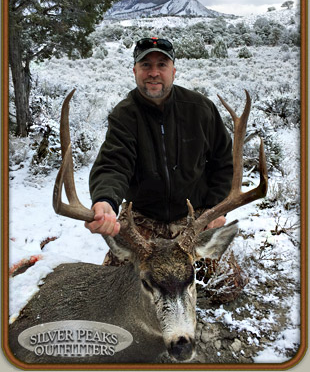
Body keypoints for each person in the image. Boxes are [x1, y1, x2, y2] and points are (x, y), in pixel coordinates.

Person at [85, 37, 233, 238]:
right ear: (135, 71)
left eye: (161, 65)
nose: (153, 73)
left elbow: (224, 161)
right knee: (123, 270)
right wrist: (105, 200)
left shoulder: (200, 109)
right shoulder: (125, 114)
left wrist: (217, 207)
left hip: (197, 217)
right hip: (142, 216)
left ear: (173, 71)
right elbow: (114, 164)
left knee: (219, 270)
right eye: (146, 65)